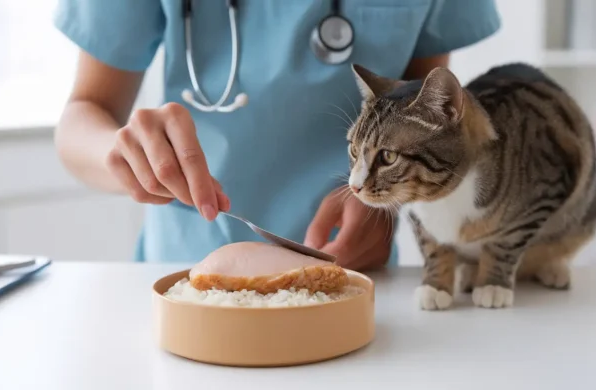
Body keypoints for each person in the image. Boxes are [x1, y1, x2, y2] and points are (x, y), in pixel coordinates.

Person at [53, 0, 500, 270]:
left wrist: (391, 207)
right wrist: (123, 153)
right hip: (185, 269)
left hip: (354, 277)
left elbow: (436, 129)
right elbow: (82, 116)